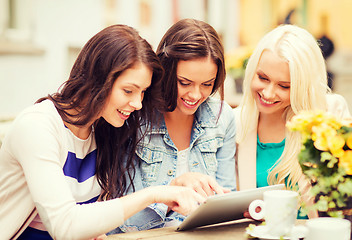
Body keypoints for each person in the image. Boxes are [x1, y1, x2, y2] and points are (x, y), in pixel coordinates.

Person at [0, 24, 206, 240]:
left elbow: (93, 220)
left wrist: (170, 193)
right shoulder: (38, 127)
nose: (137, 103)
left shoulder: (103, 129)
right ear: (97, 79)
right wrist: (154, 194)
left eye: (143, 92)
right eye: (128, 90)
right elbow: (65, 226)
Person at [110, 18, 236, 233]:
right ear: (166, 72)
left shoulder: (223, 118)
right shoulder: (133, 115)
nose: (196, 95)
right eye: (185, 83)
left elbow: (228, 203)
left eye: (207, 84)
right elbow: (126, 221)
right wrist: (173, 191)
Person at [234, 24, 351, 218]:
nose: (269, 93)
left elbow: (345, 197)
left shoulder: (330, 113)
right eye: (263, 78)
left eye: (284, 86)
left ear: (303, 86)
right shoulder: (237, 122)